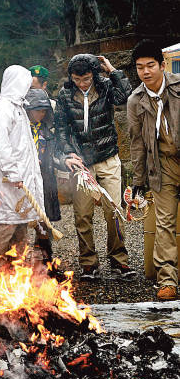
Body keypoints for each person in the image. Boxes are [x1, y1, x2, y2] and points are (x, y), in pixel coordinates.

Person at [55, 53, 135, 280]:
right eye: (77, 79)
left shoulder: (106, 87)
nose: (82, 83)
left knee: (115, 211)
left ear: (94, 75)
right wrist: (69, 153)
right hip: (81, 162)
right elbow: (61, 129)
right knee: (82, 214)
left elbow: (125, 97)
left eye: (87, 79)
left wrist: (113, 71)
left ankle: (120, 262)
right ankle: (89, 263)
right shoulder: (65, 95)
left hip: (108, 156)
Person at [128, 40, 180, 300]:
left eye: (150, 65)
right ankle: (167, 280)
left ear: (162, 65)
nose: (146, 72)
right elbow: (136, 143)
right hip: (161, 165)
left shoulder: (179, 87)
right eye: (140, 68)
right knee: (164, 223)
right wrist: (138, 179)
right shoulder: (135, 100)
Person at [0, 66, 44, 268]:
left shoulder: (17, 107)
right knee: (8, 223)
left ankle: (17, 269)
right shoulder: (2, 109)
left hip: (19, 178)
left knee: (20, 222)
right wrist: (11, 171)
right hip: (8, 179)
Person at [24, 88, 64, 263]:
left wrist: (65, 161)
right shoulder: (20, 128)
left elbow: (55, 154)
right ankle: (14, 263)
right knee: (19, 222)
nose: (41, 114)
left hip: (45, 179)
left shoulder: (48, 131)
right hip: (24, 180)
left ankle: (45, 262)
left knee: (43, 222)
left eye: (43, 110)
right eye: (37, 110)